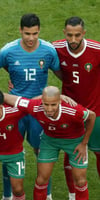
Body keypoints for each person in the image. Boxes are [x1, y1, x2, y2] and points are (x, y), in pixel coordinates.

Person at [0, 13, 61, 200]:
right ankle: (7, 196)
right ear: (20, 31)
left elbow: (62, 75)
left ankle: (46, 194)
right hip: (15, 108)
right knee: (10, 151)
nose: (31, 38)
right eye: (27, 34)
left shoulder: (48, 50)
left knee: (42, 151)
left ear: (39, 31)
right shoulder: (8, 51)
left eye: (35, 34)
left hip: (40, 109)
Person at [4, 86, 95, 200]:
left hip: (74, 141)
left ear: (60, 102)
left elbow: (92, 116)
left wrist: (84, 143)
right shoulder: (35, 106)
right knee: (41, 180)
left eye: (53, 105)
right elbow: (5, 96)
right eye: (46, 104)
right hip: (50, 141)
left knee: (80, 181)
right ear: (41, 101)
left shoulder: (73, 110)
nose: (49, 109)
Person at [52, 16, 100, 200]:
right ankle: (73, 195)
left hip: (97, 111)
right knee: (72, 153)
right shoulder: (55, 47)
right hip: (70, 113)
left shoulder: (96, 49)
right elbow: (31, 50)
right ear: (64, 33)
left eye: (77, 35)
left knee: (98, 151)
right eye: (69, 35)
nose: (73, 40)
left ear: (84, 34)